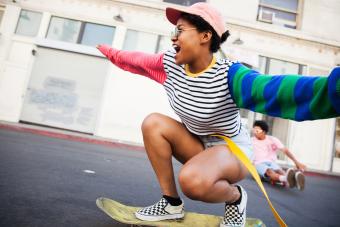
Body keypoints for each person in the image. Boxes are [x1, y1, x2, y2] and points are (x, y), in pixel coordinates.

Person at [96, 2, 339, 226]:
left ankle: (235, 197)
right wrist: (107, 50)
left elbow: (273, 90)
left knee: (192, 182)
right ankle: (171, 204)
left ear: (205, 35)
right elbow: (135, 60)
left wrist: (333, 89)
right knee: (153, 124)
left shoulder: (229, 75)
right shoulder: (170, 64)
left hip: (233, 151)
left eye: (179, 30)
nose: (173, 38)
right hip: (200, 146)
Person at [252, 120, 306, 190]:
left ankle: (293, 180)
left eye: (257, 131)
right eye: (254, 130)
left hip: (271, 162)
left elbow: (285, 150)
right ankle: (288, 179)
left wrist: (296, 162)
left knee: (280, 171)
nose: (254, 132)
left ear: (264, 132)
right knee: (269, 171)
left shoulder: (272, 139)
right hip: (258, 163)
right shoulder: (251, 141)